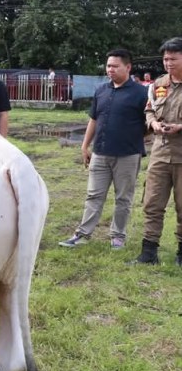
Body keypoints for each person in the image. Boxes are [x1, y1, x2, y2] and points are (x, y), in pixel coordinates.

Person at [59, 49, 147, 250]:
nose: (110, 70)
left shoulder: (141, 93)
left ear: (128, 67)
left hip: (128, 154)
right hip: (100, 153)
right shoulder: (101, 90)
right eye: (108, 66)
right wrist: (84, 145)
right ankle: (82, 234)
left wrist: (134, 137)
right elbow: (93, 119)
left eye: (115, 66)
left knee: (123, 198)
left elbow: (149, 123)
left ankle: (118, 236)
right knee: (93, 195)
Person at [131, 37, 182, 265]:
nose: (168, 63)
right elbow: (149, 109)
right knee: (152, 203)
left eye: (173, 58)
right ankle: (149, 253)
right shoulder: (159, 84)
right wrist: (153, 123)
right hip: (160, 154)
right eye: (165, 58)